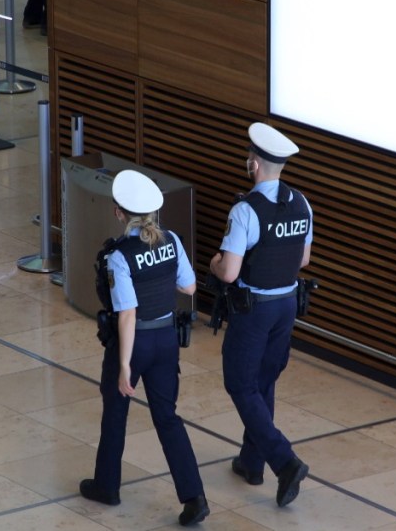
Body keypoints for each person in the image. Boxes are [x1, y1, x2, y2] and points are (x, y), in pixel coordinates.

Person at [79, 170, 209, 526]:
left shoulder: (119, 256)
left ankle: (107, 486)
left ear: (120, 214)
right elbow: (190, 287)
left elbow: (127, 313)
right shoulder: (172, 241)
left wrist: (123, 365)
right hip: (167, 340)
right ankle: (194, 497)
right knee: (168, 418)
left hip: (135, 343)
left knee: (116, 411)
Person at [208, 122, 313, 508]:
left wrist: (215, 263)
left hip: (254, 310)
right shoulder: (302, 202)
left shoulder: (245, 211)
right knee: (263, 382)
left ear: (254, 164)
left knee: (240, 384)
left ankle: (284, 461)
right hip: (286, 306)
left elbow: (231, 272)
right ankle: (252, 463)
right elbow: (303, 258)